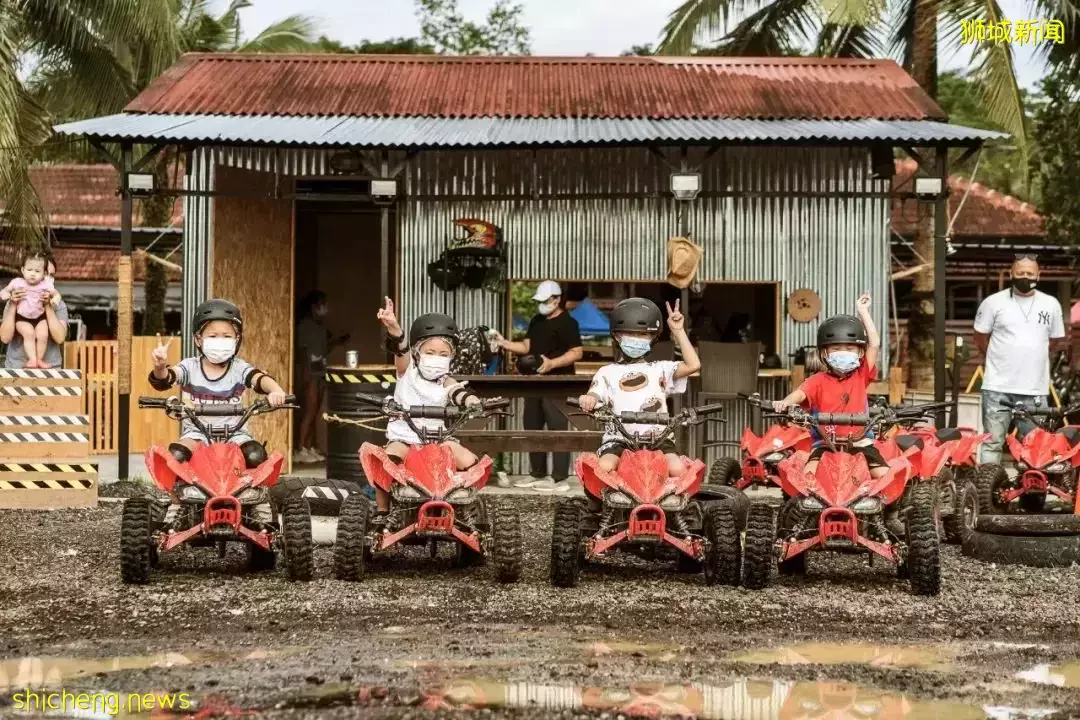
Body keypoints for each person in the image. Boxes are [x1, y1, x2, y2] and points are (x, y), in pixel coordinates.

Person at [376, 297, 483, 523]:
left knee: (473, 464)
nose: (437, 358)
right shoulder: (407, 372)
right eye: (430, 352)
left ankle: (470, 513)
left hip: (439, 439)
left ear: (452, 356)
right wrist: (394, 327)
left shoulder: (445, 380)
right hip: (405, 437)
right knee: (387, 461)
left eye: (444, 354)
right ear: (417, 352)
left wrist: (472, 400)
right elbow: (401, 349)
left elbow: (457, 392)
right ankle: (382, 514)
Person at [576, 298, 699, 494]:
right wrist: (589, 399)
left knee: (678, 470)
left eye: (642, 334)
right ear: (617, 336)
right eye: (630, 334)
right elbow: (595, 393)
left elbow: (693, 365)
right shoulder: (607, 372)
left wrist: (678, 331)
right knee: (604, 468)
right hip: (618, 439)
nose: (636, 338)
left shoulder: (660, 369)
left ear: (653, 338)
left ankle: (679, 514)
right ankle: (599, 510)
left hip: (658, 439)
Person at [149, 299, 289, 470]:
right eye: (213, 336)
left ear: (237, 339)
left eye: (227, 336)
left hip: (235, 434)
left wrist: (276, 390)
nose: (220, 341)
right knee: (176, 457)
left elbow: (259, 379)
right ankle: (178, 497)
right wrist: (160, 366)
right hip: (196, 434)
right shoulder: (190, 367)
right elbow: (166, 378)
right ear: (198, 340)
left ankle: (253, 496)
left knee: (255, 455)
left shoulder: (239, 368)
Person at [774, 293, 886, 478]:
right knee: (807, 481)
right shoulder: (817, 380)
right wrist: (785, 402)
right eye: (835, 349)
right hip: (825, 445)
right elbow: (799, 395)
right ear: (824, 353)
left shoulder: (861, 375)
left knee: (885, 477)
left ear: (860, 352)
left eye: (850, 349)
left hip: (860, 444)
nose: (843, 352)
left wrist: (863, 312)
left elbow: (874, 344)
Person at [974, 256, 1067, 464]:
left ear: (1038, 276)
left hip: (1034, 390)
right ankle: (988, 493)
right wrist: (997, 357)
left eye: (1030, 274)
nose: (1025, 277)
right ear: (1010, 275)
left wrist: (1034, 355)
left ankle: (1032, 494)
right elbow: (979, 336)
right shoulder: (993, 302)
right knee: (992, 442)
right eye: (1020, 273)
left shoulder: (1051, 304)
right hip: (997, 388)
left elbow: (1055, 340)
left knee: (1035, 447)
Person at [494, 280, 583, 492]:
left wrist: (552, 363)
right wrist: (505, 343)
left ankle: (559, 477)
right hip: (534, 383)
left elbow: (576, 352)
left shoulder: (568, 323)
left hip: (557, 384)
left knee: (557, 430)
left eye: (546, 301)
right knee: (532, 427)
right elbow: (527, 346)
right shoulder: (536, 320)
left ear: (557, 299)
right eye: (540, 301)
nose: (542, 304)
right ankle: (537, 473)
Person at [294, 290, 348, 464]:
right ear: (314, 306)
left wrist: (337, 342)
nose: (326, 308)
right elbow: (302, 351)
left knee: (316, 410)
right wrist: (305, 373)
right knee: (309, 410)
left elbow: (322, 350)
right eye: (323, 304)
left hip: (321, 371)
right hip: (310, 373)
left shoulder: (321, 328)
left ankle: (310, 447)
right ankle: (300, 448)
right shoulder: (304, 326)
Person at [1, 255, 68, 369]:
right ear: (23, 270)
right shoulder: (15, 297)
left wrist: (48, 305)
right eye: (31, 270)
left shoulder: (59, 305)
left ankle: (39, 360)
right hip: (17, 367)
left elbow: (60, 337)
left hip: (50, 369)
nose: (35, 274)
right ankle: (32, 360)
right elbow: (5, 338)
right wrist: (13, 303)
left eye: (51, 275)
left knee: (42, 332)